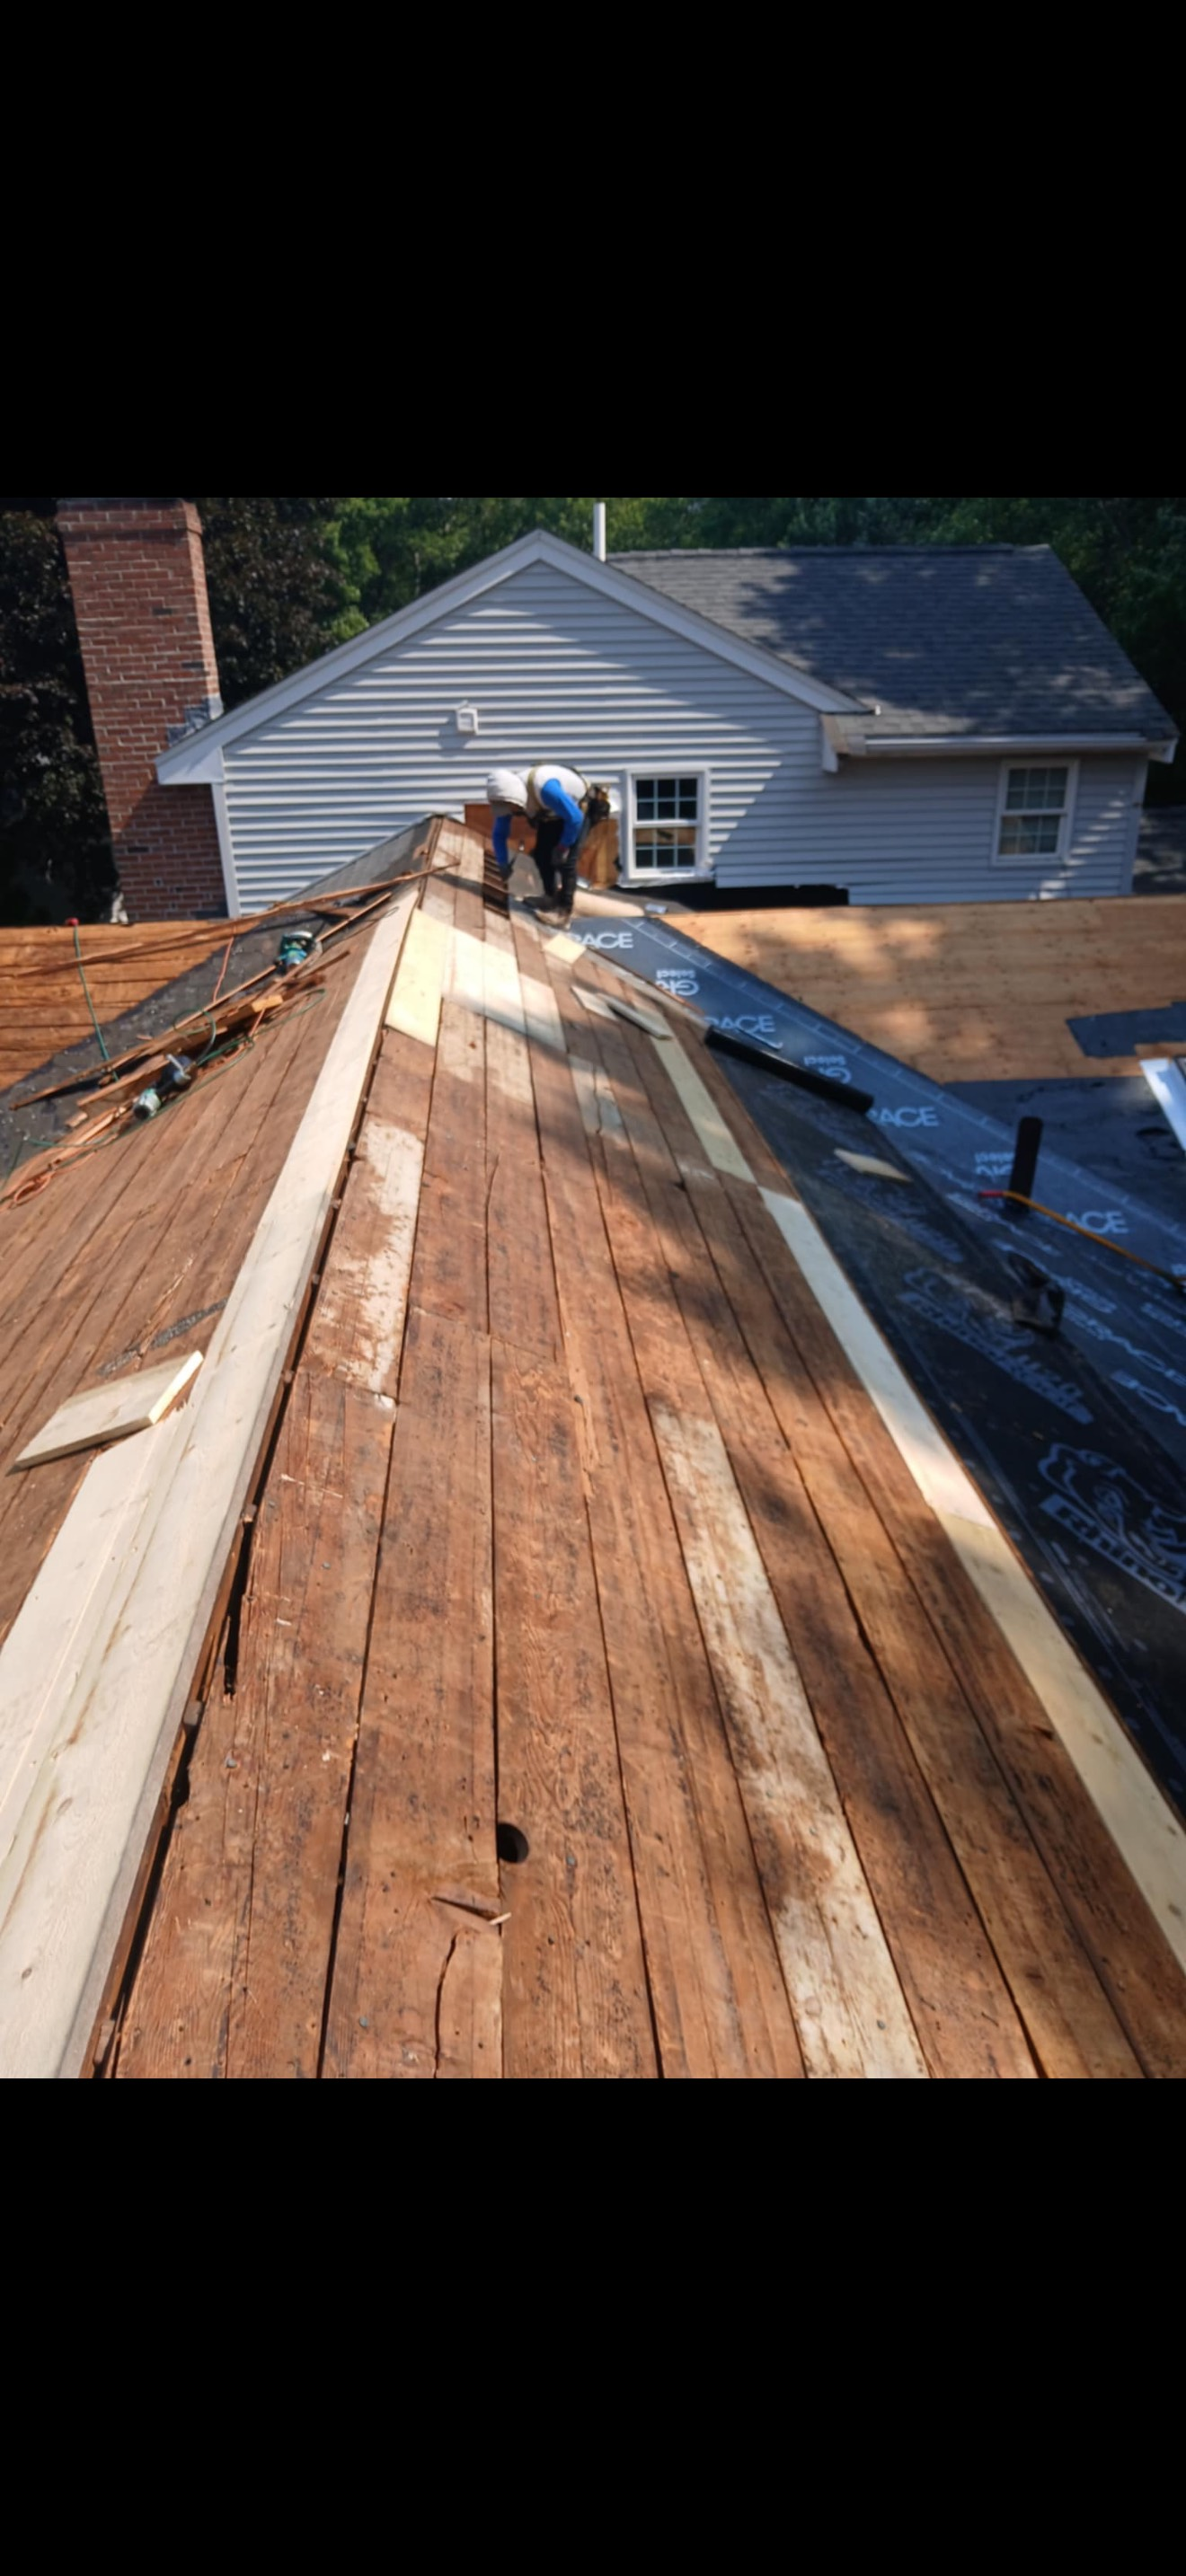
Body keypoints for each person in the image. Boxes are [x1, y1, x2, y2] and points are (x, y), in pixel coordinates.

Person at [486, 766, 616, 928]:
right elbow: (500, 833)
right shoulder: (506, 797)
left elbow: (575, 818)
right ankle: (550, 898)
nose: (513, 812)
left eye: (513, 809)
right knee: (541, 855)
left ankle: (564, 912)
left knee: (566, 862)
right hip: (552, 813)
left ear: (516, 799)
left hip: (578, 811)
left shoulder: (545, 789)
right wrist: (502, 864)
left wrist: (562, 847)